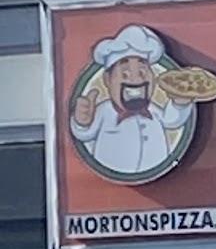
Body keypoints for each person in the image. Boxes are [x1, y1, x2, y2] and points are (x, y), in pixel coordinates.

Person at [70, 24, 199, 180]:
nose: (135, 79)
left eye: (143, 72)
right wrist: (82, 122)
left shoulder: (153, 111)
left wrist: (180, 103)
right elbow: (84, 134)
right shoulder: (104, 111)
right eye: (125, 74)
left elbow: (172, 121)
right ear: (107, 79)